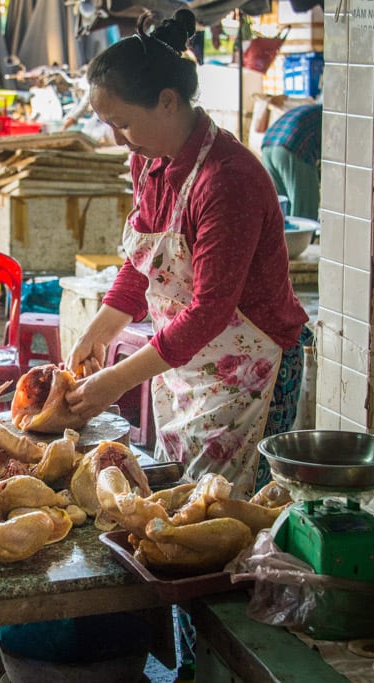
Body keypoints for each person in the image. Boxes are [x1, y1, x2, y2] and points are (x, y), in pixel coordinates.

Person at [65, 9, 310, 500]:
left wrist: (115, 380)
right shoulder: (149, 161)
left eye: (123, 123)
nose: (117, 139)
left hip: (251, 372)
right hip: (184, 366)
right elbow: (143, 266)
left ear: (168, 102)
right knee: (182, 506)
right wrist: (99, 332)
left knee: (227, 518)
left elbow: (210, 311)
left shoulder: (228, 180)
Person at [259, 103, 322, 221]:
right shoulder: (337, 117)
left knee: (282, 210)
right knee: (304, 211)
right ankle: (301, 240)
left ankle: (284, 239)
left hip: (268, 145)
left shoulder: (315, 109)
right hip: (293, 146)